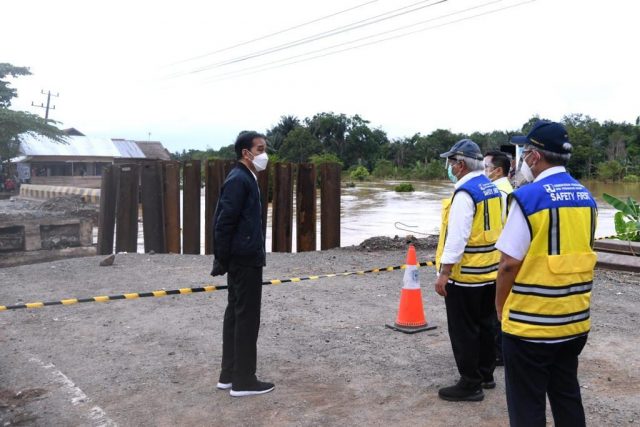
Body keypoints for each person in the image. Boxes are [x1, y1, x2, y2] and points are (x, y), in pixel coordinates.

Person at [495, 120, 597, 426]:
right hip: (574, 322)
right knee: (566, 396)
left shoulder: (528, 198)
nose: (523, 158)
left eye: (525, 152)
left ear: (535, 157)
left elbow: (508, 264)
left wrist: (500, 307)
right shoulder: (587, 198)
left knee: (527, 405)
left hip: (531, 326)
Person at [434, 139, 503, 402]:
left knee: (463, 330)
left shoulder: (465, 194)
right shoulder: (490, 188)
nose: (449, 166)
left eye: (451, 162)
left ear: (460, 164)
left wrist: (445, 273)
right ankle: (486, 375)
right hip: (490, 272)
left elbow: (458, 236)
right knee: (486, 325)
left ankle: (470, 383)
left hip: (466, 276)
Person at [210, 130, 274, 397]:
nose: (264, 154)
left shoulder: (247, 177)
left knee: (236, 315)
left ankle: (229, 375)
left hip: (243, 256)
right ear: (246, 153)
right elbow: (223, 222)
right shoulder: (240, 179)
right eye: (260, 149)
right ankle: (244, 380)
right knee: (246, 318)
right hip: (244, 259)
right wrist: (222, 259)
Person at [483, 150, 514, 368]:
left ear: (498, 170)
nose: (484, 171)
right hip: (505, 253)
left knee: (495, 307)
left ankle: (497, 353)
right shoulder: (510, 190)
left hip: (496, 256)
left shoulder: (495, 192)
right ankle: (502, 351)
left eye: (486, 167)